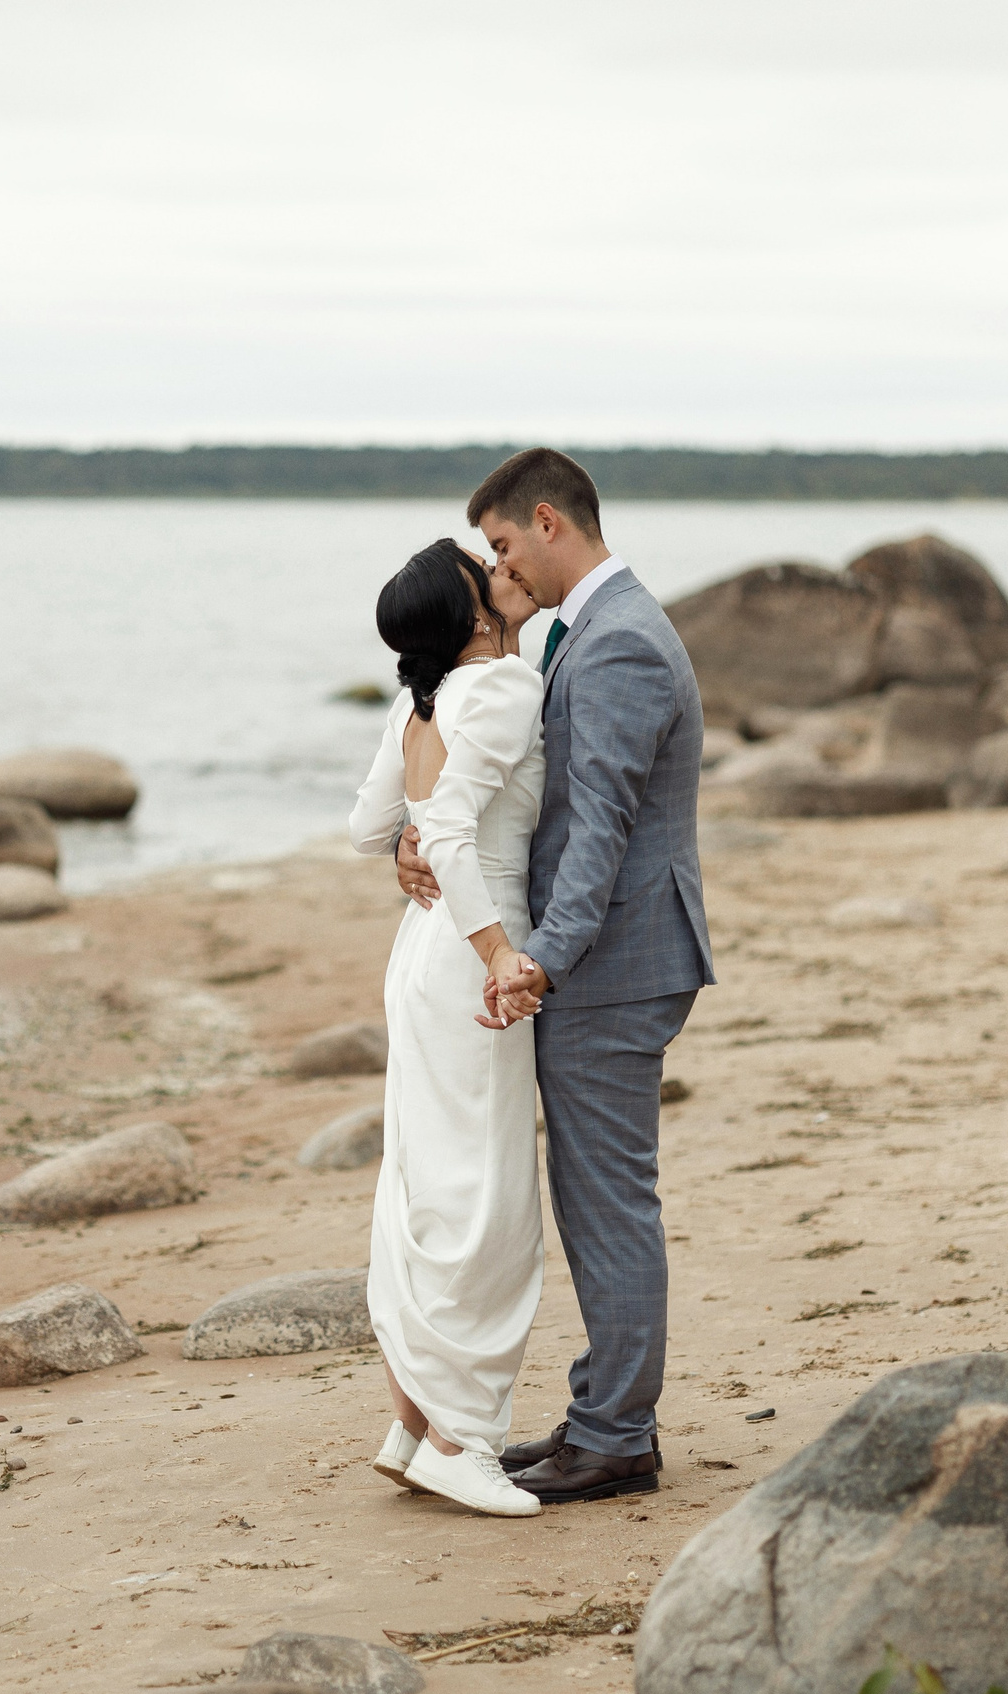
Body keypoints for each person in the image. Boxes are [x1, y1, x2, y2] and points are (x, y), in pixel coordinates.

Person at [398, 447, 713, 1504]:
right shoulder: (597, 627)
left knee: (607, 1201)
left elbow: (605, 830)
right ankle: (601, 1415)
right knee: (595, 1198)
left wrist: (539, 957)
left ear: (546, 521)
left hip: (616, 959)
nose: (499, 569)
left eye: (499, 545)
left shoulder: (619, 642)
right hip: (609, 954)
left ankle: (618, 1434)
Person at [347, 537, 549, 1517]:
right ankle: (462, 1437)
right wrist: (500, 954)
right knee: (483, 1194)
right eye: (486, 568)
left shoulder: (418, 701)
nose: (499, 572)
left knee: (426, 1179)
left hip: (419, 951)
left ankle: (412, 1423)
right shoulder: (501, 688)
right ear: (472, 615)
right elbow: (458, 833)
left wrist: (404, 845)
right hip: (471, 953)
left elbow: (367, 827)